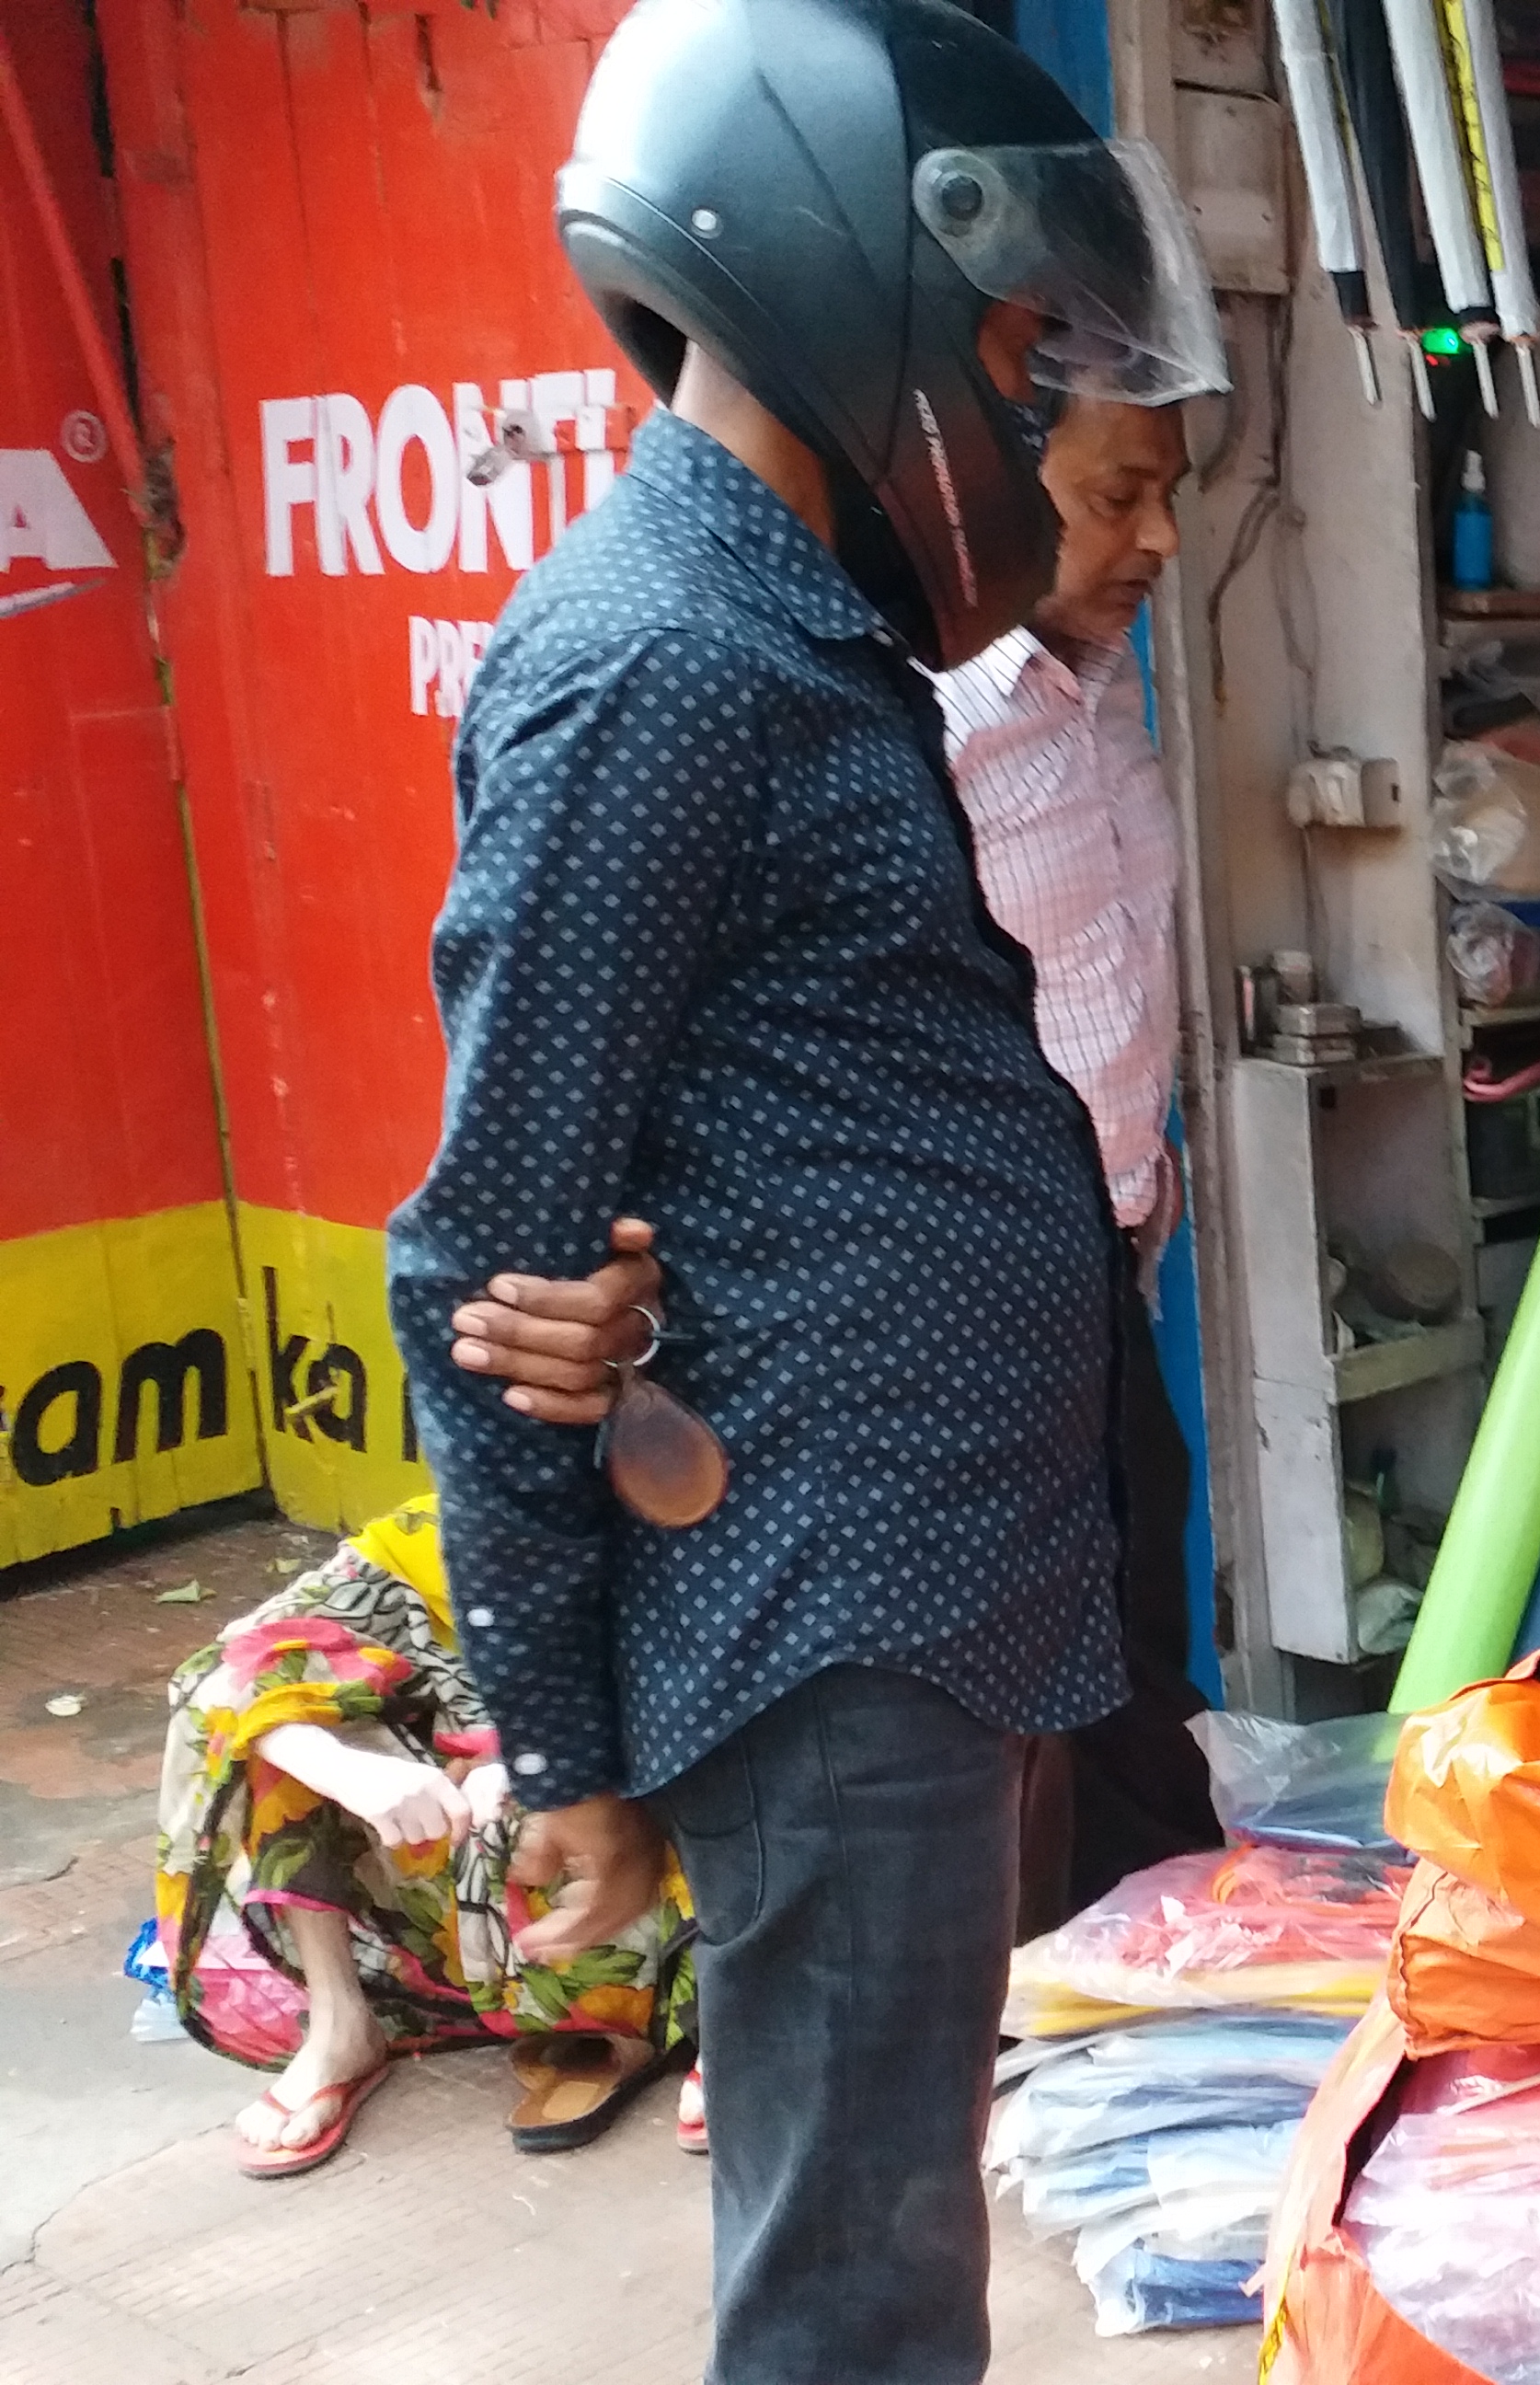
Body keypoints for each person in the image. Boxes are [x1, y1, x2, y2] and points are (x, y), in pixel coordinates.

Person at [382, 0, 1224, 2375]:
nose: (1040, 398)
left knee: (886, 2250)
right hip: (827, 1611)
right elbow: (495, 1239)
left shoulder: (789, 631)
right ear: (854, 273)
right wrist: (571, 1749)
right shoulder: (666, 663)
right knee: (854, 2300)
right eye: (1024, 347)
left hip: (912, 1592)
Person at [445, 387, 1217, 1938]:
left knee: (1116, 1746)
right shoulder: (752, 685)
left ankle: (1100, 2071)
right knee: (889, 1923)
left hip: (1076, 1326)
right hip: (865, 1466)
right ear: (982, 464)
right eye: (1115, 490)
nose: (1158, 537)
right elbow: (524, 1193)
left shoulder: (1085, 690)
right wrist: (558, 1738)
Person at [155, 1496, 700, 2177]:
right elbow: (222, 1668)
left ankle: (723, 2022)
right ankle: (341, 2025)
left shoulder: (696, 1523)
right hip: (462, 1889)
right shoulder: (440, 1536)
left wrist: (538, 1762)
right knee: (279, 1721)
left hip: (640, 1861)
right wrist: (344, 1768)